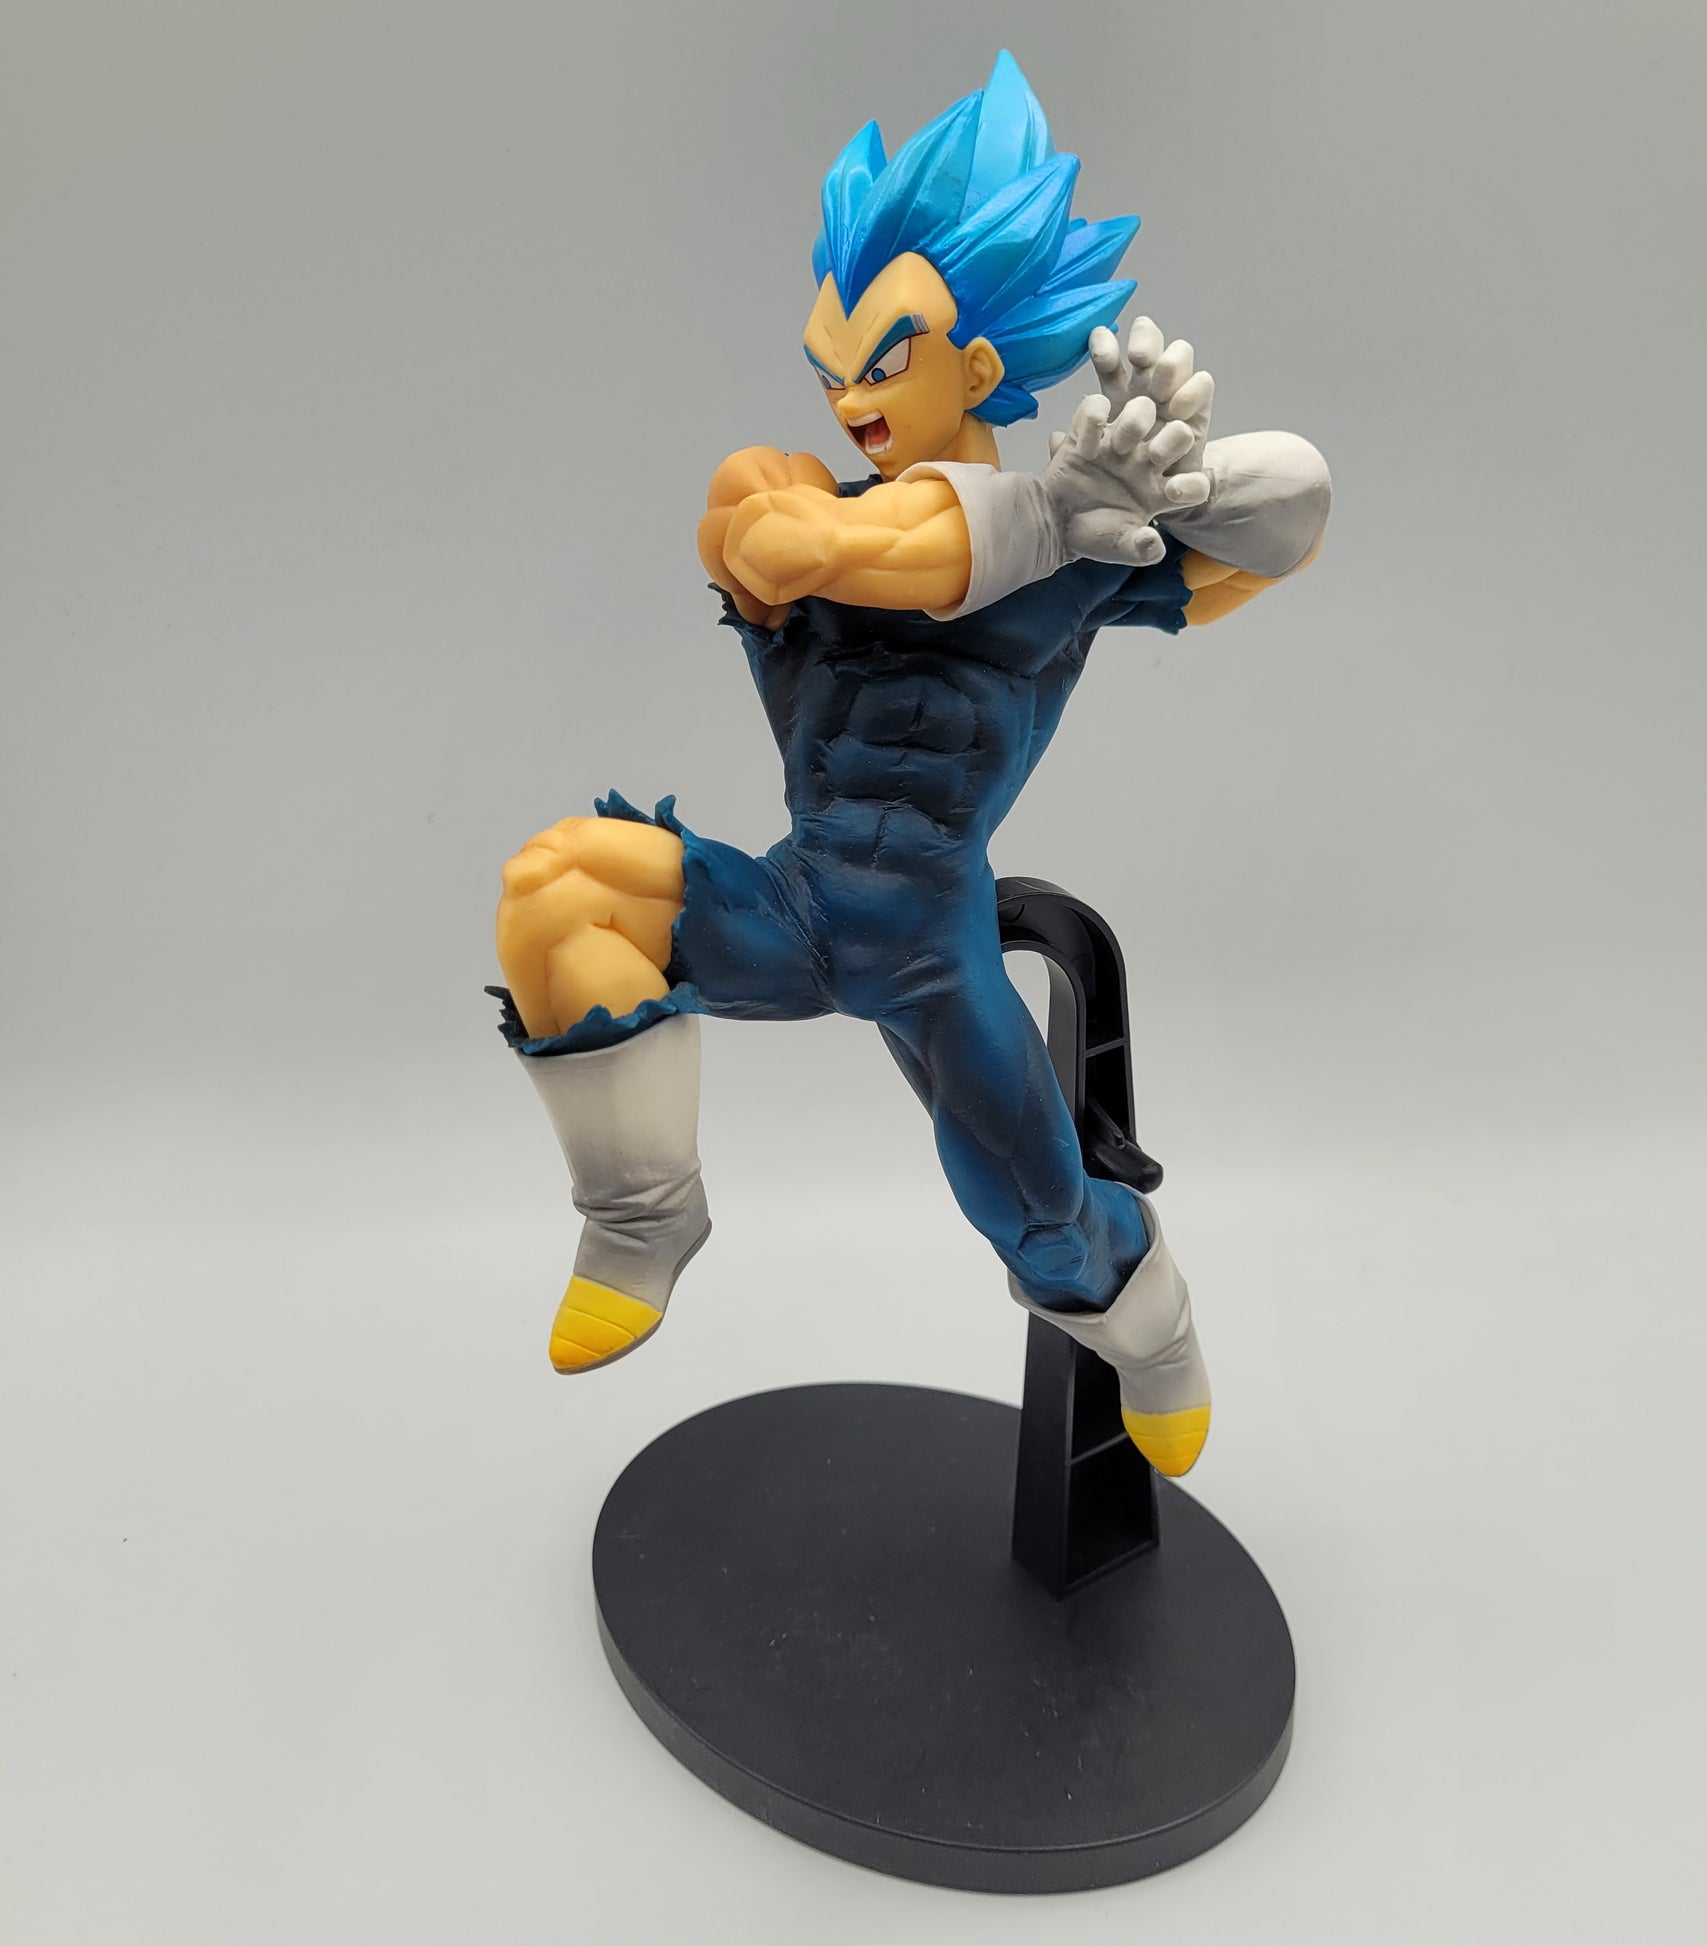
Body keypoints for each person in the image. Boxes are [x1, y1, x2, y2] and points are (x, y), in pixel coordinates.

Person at [493, 51, 1329, 1476]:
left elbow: (1293, 504)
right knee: (559, 889)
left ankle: (1158, 1327)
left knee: (1045, 1227)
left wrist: (1166, 485)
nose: (849, 397)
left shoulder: (1080, 556)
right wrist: (1036, 516)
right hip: (797, 903)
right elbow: (790, 538)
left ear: (978, 366)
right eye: (832, 366)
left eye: (882, 360)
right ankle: (641, 1216)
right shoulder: (804, 501)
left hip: (937, 951)